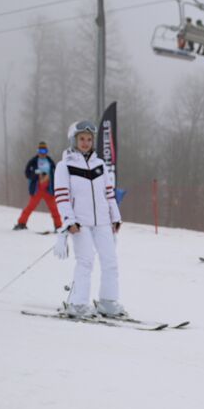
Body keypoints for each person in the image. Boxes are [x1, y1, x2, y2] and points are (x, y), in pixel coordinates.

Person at [53, 121, 124, 318]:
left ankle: (108, 302)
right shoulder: (64, 166)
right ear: (73, 140)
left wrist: (115, 217)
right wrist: (69, 221)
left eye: (89, 139)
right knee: (86, 261)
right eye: (81, 139)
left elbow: (109, 195)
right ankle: (77, 304)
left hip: (102, 222)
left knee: (110, 261)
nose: (85, 143)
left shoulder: (100, 165)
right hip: (80, 223)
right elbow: (62, 197)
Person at [14, 140, 62, 231]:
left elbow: (56, 174)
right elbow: (27, 174)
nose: (42, 153)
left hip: (49, 188)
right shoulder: (33, 161)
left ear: (47, 152)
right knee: (30, 207)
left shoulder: (50, 162)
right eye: (41, 151)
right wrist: (37, 174)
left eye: (44, 151)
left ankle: (58, 226)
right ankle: (21, 223)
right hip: (37, 188)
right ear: (38, 151)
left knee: (54, 208)